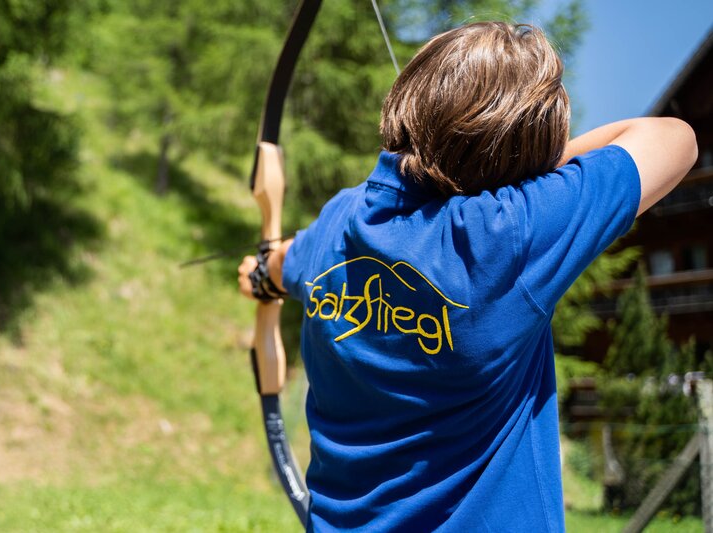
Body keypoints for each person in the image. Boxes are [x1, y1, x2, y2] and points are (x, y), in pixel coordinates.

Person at [237, 21, 696, 532]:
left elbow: (277, 264)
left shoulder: (338, 220)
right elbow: (674, 139)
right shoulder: (505, 233)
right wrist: (530, 173)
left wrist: (261, 276)